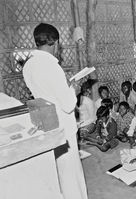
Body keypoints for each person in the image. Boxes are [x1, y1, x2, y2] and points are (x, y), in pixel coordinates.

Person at [22, 23, 87, 199]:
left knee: (57, 172)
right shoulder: (52, 66)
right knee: (71, 174)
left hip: (47, 124)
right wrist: (73, 88)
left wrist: (63, 89)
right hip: (63, 127)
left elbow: (43, 93)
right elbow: (67, 105)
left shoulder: (28, 66)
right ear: (56, 43)